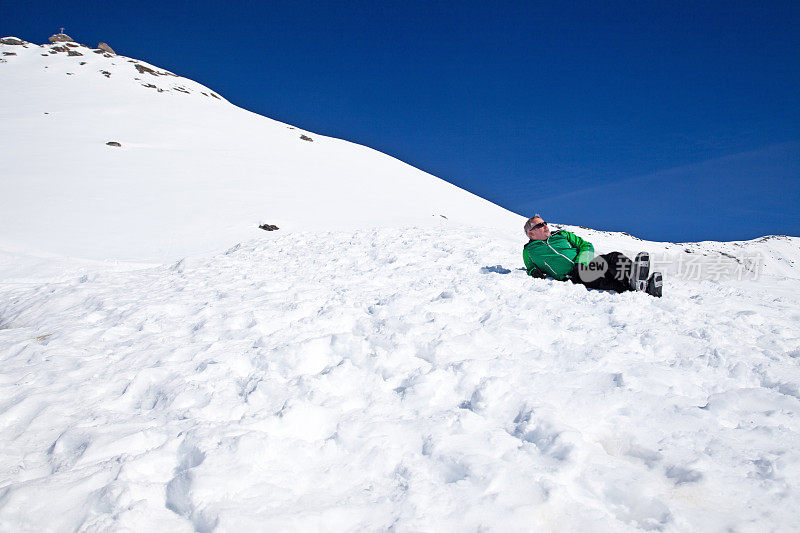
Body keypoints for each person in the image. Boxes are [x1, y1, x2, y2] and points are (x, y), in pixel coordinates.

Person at [522, 215, 663, 297]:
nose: (546, 226)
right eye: (540, 225)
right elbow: (529, 267)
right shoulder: (529, 250)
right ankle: (642, 286)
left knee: (614, 258)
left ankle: (637, 277)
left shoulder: (562, 235)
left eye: (545, 223)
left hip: (585, 266)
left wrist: (581, 263)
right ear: (531, 233)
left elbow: (586, 245)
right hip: (572, 276)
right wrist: (533, 271)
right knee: (608, 278)